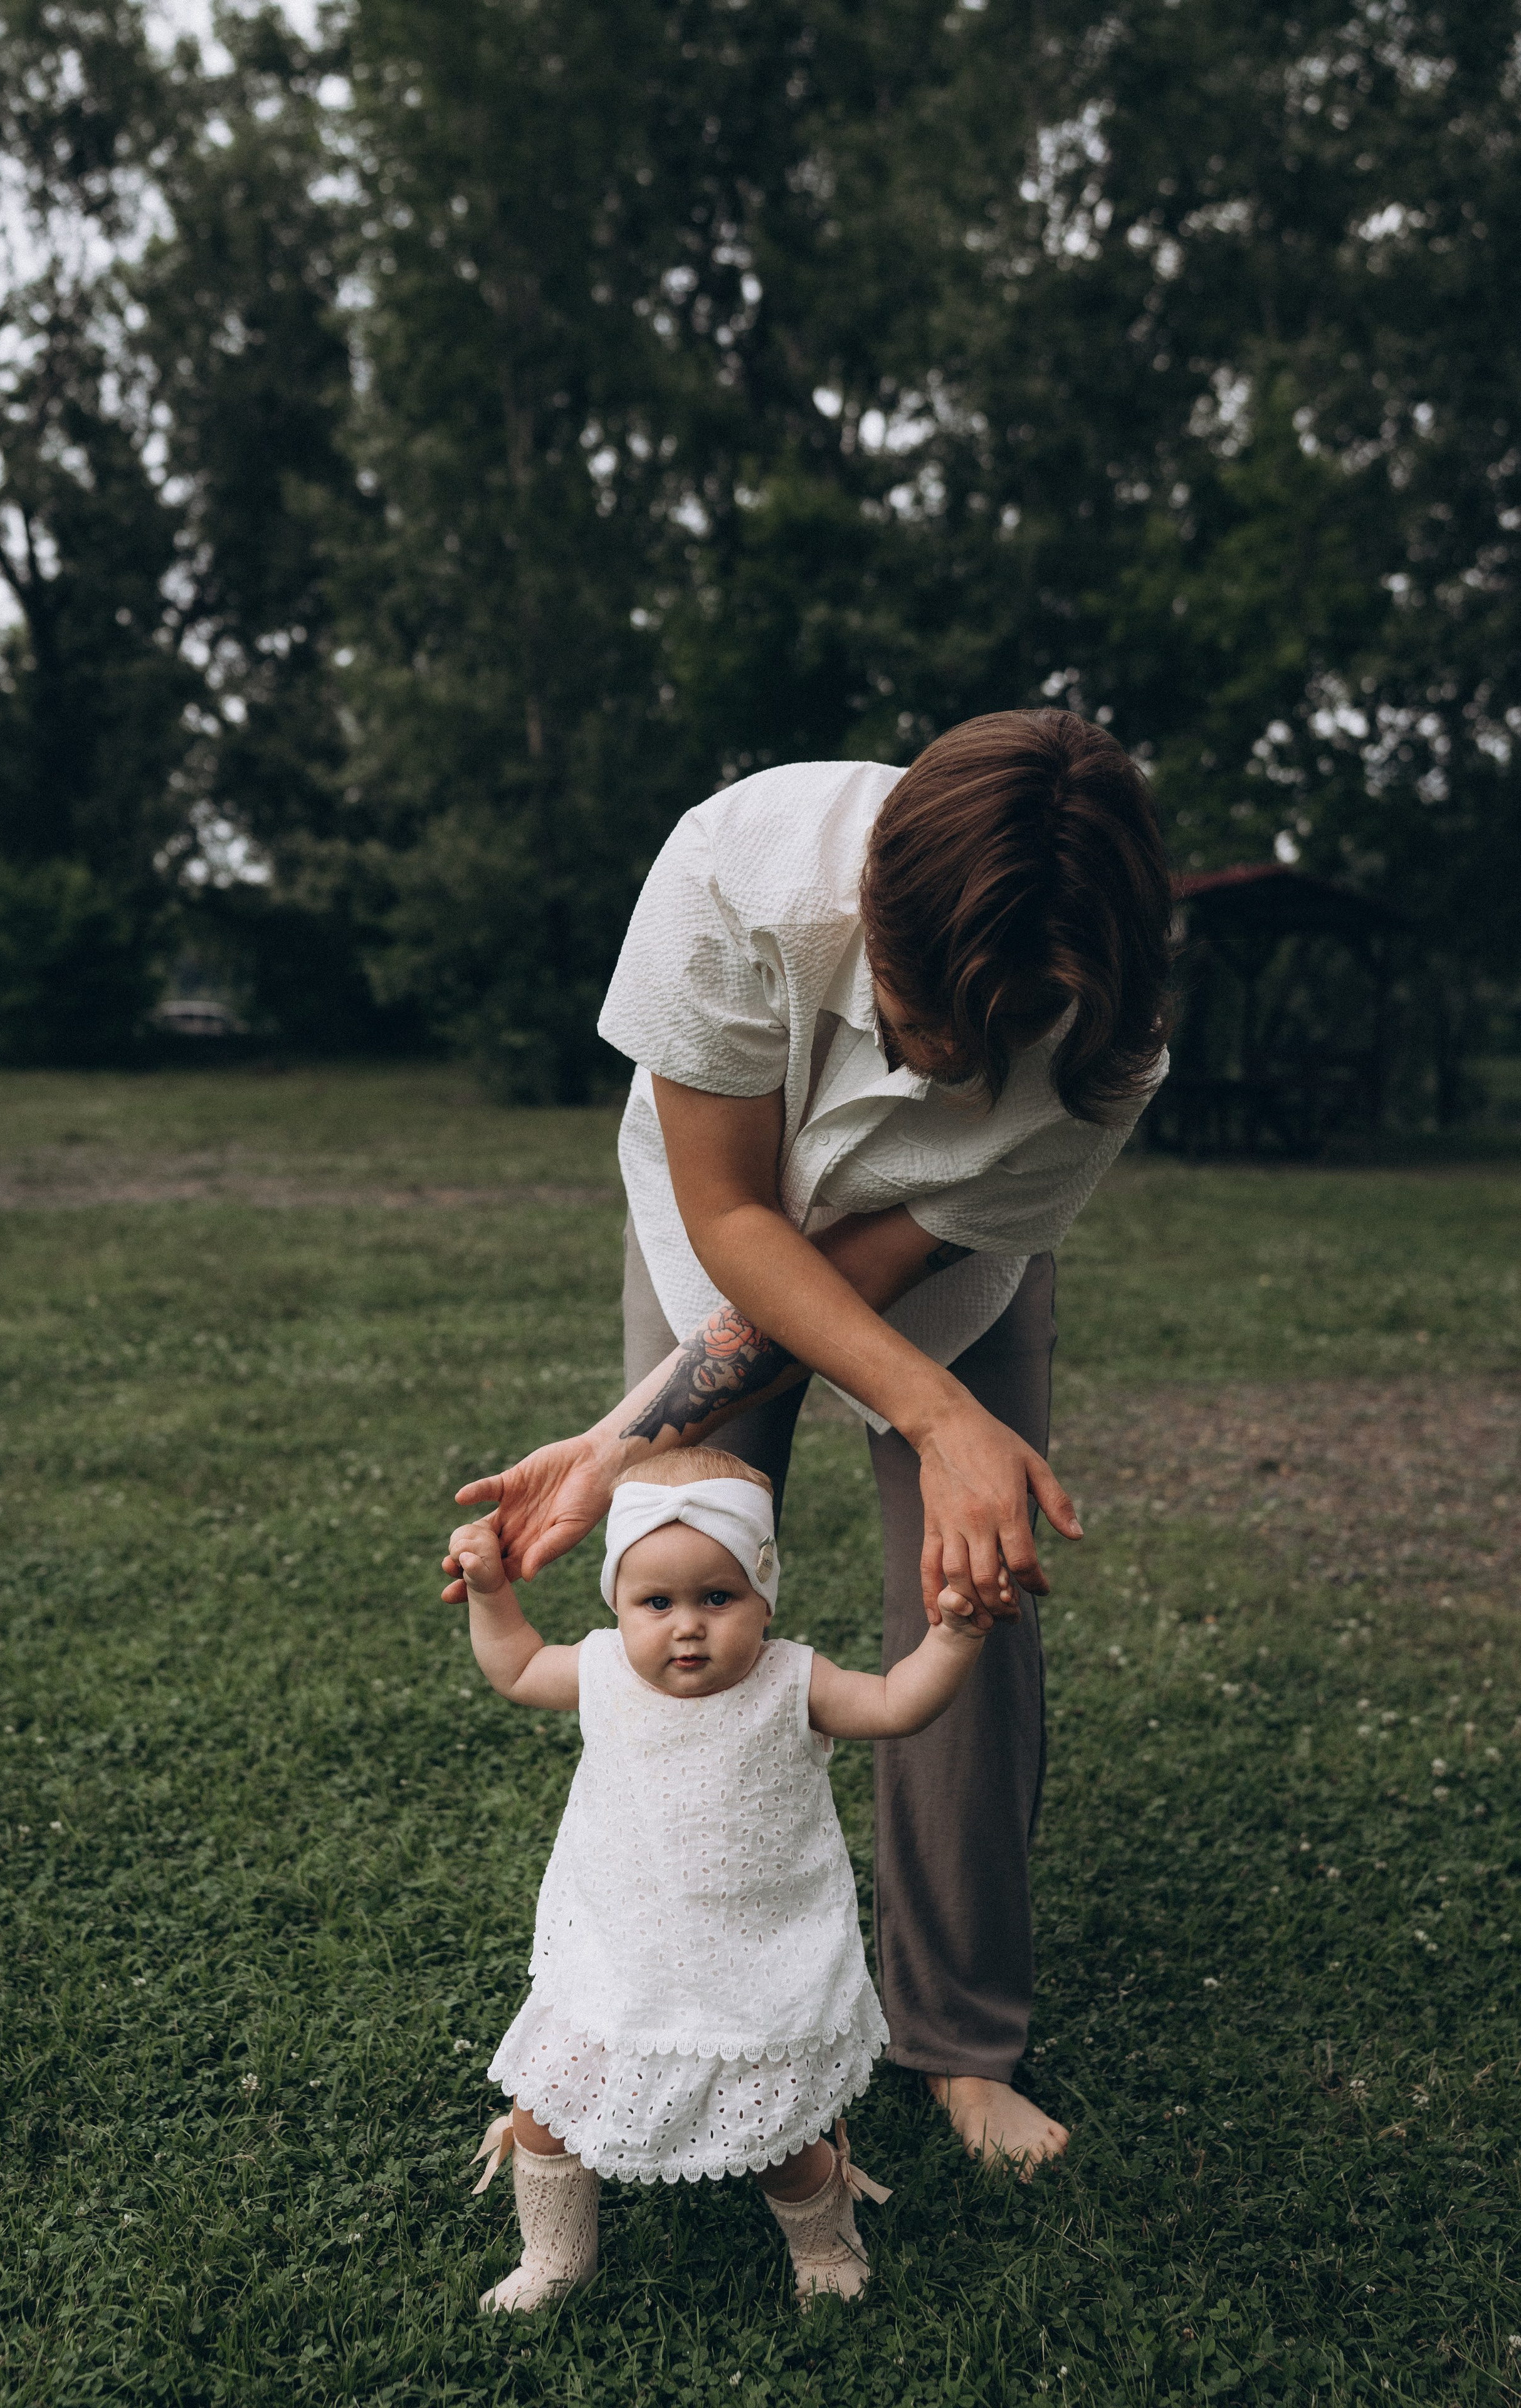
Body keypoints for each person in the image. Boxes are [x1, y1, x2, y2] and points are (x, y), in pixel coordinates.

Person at [450, 709, 1172, 2173]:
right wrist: (619, 1451)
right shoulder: (731, 876)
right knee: (675, 1602)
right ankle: (636, 2015)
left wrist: (944, 1415)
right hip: (713, 1228)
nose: (937, 1070)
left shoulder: (1109, 1037)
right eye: (919, 1021)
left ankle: (957, 2045)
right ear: (863, 913)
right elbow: (736, 1227)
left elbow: (871, 1271)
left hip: (948, 1268)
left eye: (991, 1041)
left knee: (973, 1592)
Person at [448, 1449, 988, 2311]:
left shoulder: (792, 1682)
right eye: (655, 1603)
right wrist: (491, 1593)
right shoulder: (601, 1671)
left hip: (755, 1962)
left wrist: (953, 1639)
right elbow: (513, 1667)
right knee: (547, 2110)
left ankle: (823, 2246)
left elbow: (895, 1705)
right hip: (618, 1954)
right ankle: (555, 2255)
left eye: (718, 1599)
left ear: (765, 1597)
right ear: (618, 1603)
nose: (687, 1626)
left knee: (778, 2135)